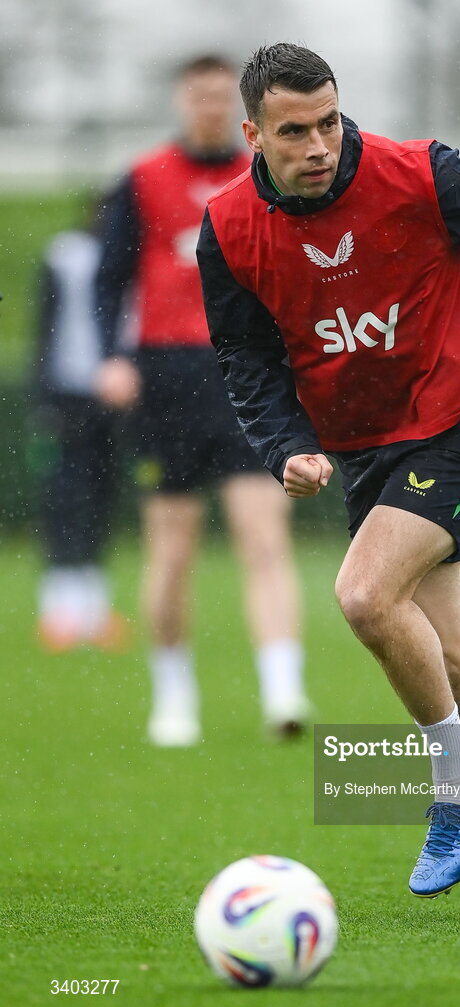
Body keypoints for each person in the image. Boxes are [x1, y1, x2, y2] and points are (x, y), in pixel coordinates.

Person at [197, 43, 460, 913]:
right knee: (442, 656)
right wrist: (284, 444)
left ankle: (456, 794)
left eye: (329, 121)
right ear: (253, 134)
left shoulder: (422, 174)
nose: (319, 145)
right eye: (294, 131)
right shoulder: (227, 227)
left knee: (365, 597)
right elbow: (246, 352)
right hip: (369, 447)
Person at [95, 54, 310, 746]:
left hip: (248, 371)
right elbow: (108, 278)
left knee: (263, 535)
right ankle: (174, 698)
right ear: (183, 101)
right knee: (172, 546)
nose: (212, 109)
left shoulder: (269, 175)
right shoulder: (141, 179)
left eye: (223, 98)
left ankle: (282, 690)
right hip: (166, 376)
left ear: (243, 110)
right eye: (200, 97)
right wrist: (112, 358)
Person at [32, 205, 129, 653]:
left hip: (111, 395)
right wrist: (44, 400)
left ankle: (91, 607)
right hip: (69, 395)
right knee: (65, 499)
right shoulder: (65, 256)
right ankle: (58, 606)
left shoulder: (127, 257)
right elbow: (43, 330)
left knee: (100, 499)